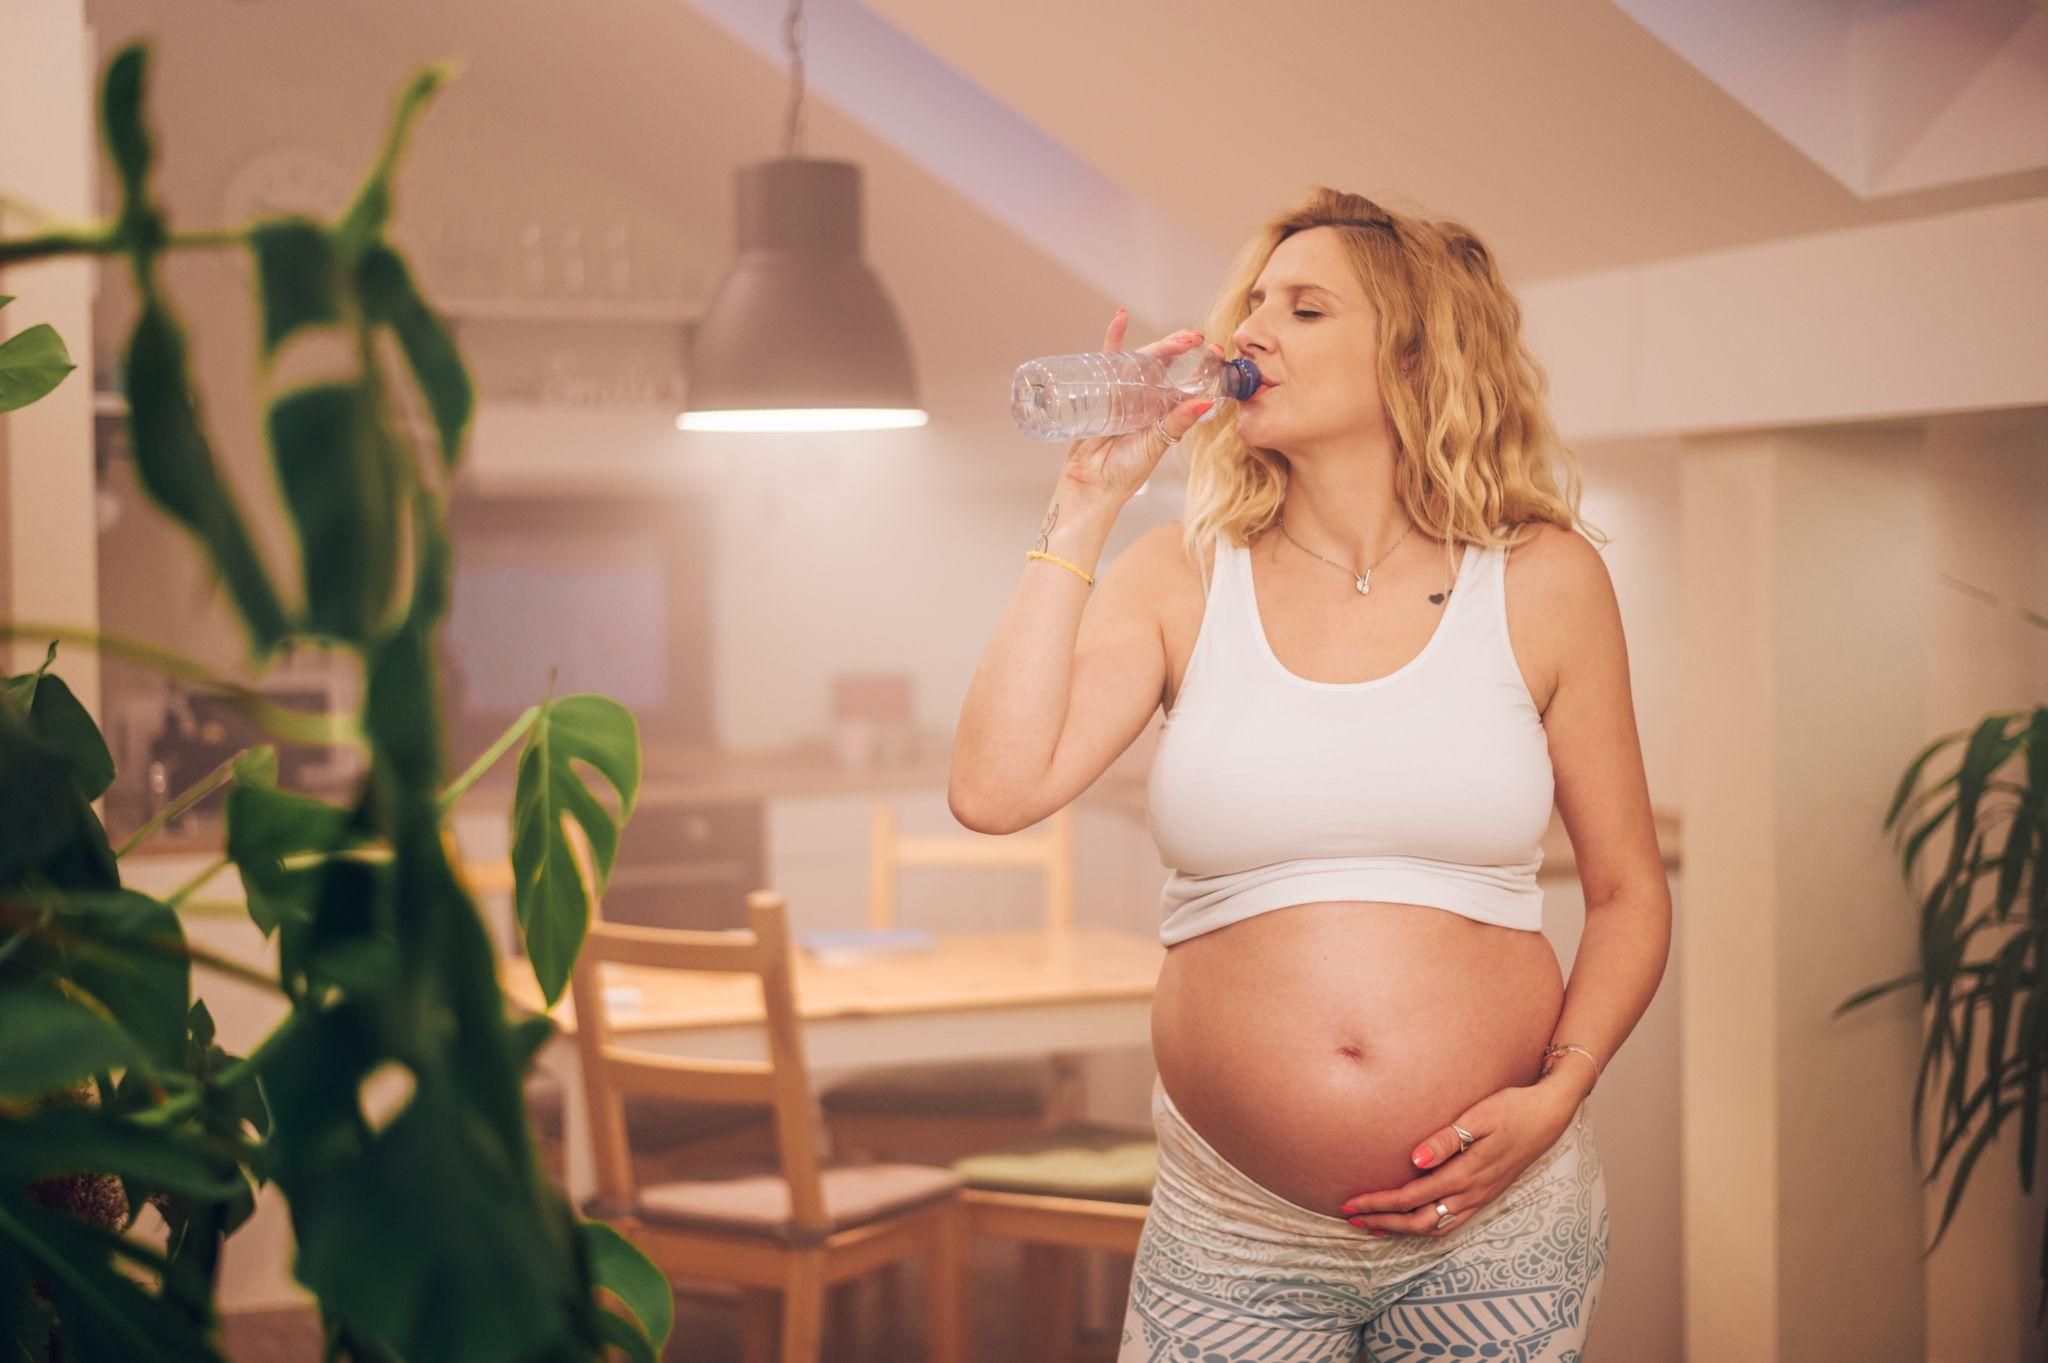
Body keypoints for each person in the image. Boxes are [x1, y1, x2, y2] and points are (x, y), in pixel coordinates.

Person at [949, 185, 1672, 1361]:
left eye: (1303, 307)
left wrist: (1557, 1096)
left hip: (1490, 1220)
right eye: (1250, 305)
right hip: (1231, 1227)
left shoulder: (1541, 578)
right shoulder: (1177, 574)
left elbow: (1629, 893)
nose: (1249, 333)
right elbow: (992, 790)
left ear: (1409, 350)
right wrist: (1083, 507)